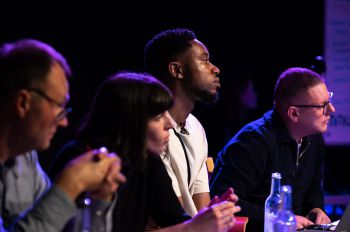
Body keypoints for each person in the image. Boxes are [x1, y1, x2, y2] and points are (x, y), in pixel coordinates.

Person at [50, 71, 241, 232]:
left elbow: (174, 219)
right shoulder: (79, 159)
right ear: (130, 122)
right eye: (159, 116)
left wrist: (208, 218)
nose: (169, 124)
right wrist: (191, 228)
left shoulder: (147, 160)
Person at [0, 38, 125, 231]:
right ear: (22, 103)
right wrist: (70, 184)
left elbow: (59, 226)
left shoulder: (26, 159)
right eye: (59, 106)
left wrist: (97, 199)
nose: (64, 121)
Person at [210, 67, 334, 231]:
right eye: (322, 106)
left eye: (329, 101)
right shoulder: (253, 143)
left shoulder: (313, 137)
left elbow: (313, 189)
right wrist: (279, 219)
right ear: (294, 114)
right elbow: (224, 201)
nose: (331, 110)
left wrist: (316, 209)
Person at [144, 28, 229, 217]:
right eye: (204, 60)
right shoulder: (153, 131)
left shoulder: (195, 127)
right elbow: (172, 216)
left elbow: (201, 208)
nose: (215, 69)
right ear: (176, 70)